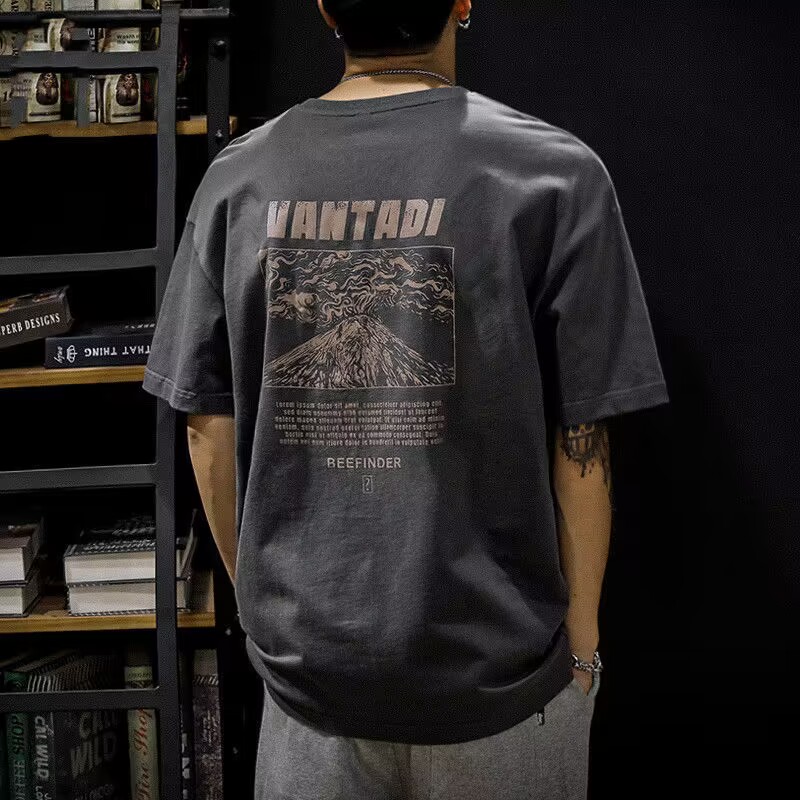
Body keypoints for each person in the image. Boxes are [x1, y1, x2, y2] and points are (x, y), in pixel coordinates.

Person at [142, 1, 669, 797]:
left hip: (310, 682)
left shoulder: (238, 178)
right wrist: (583, 643)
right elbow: (582, 434)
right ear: (462, 2)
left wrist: (262, 615)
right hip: (503, 679)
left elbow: (206, 429)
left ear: (326, 9)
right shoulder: (556, 172)